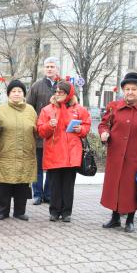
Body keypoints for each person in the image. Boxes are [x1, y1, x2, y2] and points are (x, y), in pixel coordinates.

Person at [99, 72, 137, 233]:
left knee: (132, 188)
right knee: (115, 187)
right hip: (116, 155)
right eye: (127, 89)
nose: (130, 92)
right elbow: (104, 124)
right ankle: (114, 217)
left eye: (134, 89)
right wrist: (104, 133)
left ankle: (130, 220)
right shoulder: (114, 106)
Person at [37, 80, 91, 222]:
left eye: (61, 92)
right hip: (54, 153)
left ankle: (67, 212)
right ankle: (54, 211)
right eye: (56, 92)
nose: (58, 94)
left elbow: (86, 125)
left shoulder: (79, 109)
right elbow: (41, 131)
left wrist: (82, 130)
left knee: (68, 185)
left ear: (69, 93)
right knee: (54, 185)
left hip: (71, 154)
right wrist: (49, 125)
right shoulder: (47, 110)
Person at [0, 80, 37, 221]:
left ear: (24, 94)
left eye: (20, 91)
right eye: (14, 91)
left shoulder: (31, 110)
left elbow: (37, 130)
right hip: (6, 153)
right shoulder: (0, 109)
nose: (17, 94)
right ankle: (2, 211)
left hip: (25, 153)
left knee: (22, 183)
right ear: (9, 94)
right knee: (4, 184)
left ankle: (20, 211)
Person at [26, 57, 59, 205]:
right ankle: (38, 194)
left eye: (52, 66)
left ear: (57, 68)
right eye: (47, 66)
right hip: (39, 134)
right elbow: (28, 108)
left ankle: (49, 194)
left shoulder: (63, 86)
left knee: (52, 167)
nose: (49, 69)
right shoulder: (37, 86)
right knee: (38, 166)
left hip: (57, 135)